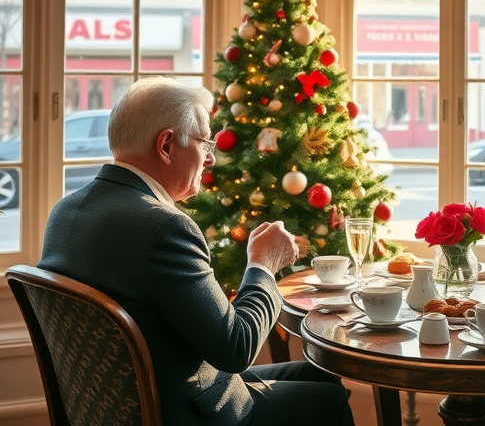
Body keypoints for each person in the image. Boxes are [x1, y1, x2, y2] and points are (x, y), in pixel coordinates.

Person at [38, 77, 354, 426]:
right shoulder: (163, 227)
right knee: (329, 399)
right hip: (181, 412)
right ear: (167, 145)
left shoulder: (64, 212)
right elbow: (237, 349)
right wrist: (263, 264)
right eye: (205, 142)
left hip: (126, 402)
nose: (211, 159)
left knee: (320, 377)